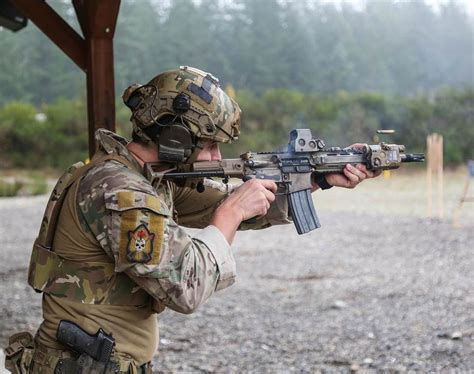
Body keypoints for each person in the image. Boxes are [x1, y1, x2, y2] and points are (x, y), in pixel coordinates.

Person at [5, 66, 380, 373]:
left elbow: (236, 203)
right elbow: (187, 285)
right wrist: (229, 215)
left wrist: (317, 178)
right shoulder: (121, 192)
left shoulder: (146, 179)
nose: (215, 156)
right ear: (175, 140)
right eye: (209, 145)